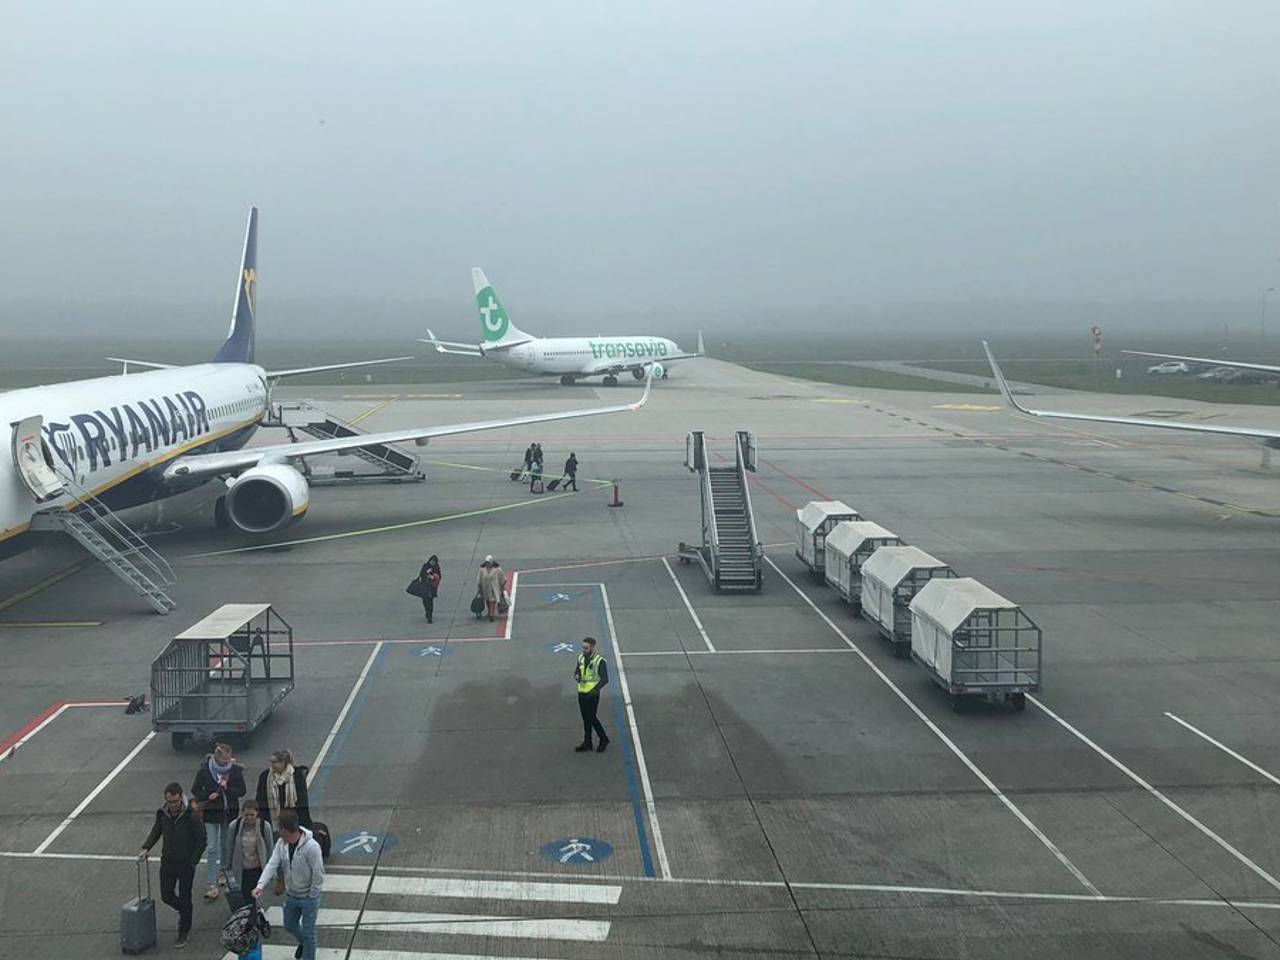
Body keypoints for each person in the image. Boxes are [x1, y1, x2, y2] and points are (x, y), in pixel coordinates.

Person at [139, 782, 206, 949]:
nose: (173, 805)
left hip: (186, 864)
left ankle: (184, 929)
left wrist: (193, 861)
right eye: (170, 801)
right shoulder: (162, 814)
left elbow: (201, 840)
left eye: (175, 801)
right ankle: (185, 911)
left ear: (180, 798)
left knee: (185, 896)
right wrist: (146, 847)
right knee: (166, 895)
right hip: (168, 861)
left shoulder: (191, 815)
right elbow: (157, 830)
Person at [252, 810, 324, 960]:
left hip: (308, 898)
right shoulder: (281, 844)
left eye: (279, 828)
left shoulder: (311, 847)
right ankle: (304, 943)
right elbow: (272, 863)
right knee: (289, 925)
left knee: (309, 932)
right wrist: (260, 885)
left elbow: (318, 873)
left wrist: (312, 895)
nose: (278, 831)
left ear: (285, 829)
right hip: (291, 895)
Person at [191, 742, 246, 900]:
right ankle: (211, 883)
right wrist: (207, 796)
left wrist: (227, 788)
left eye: (229, 759)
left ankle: (223, 871)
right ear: (216, 758)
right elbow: (195, 789)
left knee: (225, 844)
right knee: (212, 847)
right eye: (224, 760)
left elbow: (242, 791)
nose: (227, 763)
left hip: (228, 813)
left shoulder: (234, 770)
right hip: (211, 813)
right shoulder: (205, 770)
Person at [223, 798, 273, 905]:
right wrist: (227, 867)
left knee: (256, 898)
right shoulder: (234, 826)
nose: (249, 818)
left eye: (252, 815)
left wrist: (271, 870)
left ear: (257, 814)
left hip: (258, 869)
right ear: (242, 813)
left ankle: (255, 918)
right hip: (242, 869)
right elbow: (229, 847)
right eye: (246, 815)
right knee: (245, 898)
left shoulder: (265, 827)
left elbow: (270, 849)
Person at [256, 748, 313, 832]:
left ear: (283, 763)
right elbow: (260, 798)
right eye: (271, 762)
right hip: (273, 819)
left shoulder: (296, 775)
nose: (271, 765)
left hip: (294, 817)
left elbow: (302, 798)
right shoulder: (265, 777)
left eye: (274, 762)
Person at [573, 636, 610, 753]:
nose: (584, 650)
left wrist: (594, 690)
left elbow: (605, 679)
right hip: (582, 692)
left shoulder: (600, 661)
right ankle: (587, 742)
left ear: (592, 647)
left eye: (586, 648)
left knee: (592, 717)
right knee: (585, 718)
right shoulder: (580, 658)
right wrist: (577, 676)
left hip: (592, 695)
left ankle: (603, 739)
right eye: (583, 647)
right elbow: (577, 671)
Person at [477, 555, 503, 622]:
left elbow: (502, 578)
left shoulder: (497, 569)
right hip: (485, 587)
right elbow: (479, 579)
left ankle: (492, 613)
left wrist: (501, 587)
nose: (487, 564)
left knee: (492, 600)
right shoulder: (482, 569)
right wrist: (479, 587)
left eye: (489, 562)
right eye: (486, 562)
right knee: (487, 600)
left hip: (494, 587)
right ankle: (489, 611)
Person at [418, 555, 442, 623]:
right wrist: (426, 575)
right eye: (432, 561)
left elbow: (439, 576)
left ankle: (429, 615)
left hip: (431, 587)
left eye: (434, 562)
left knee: (430, 602)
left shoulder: (436, 568)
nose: (432, 562)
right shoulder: (425, 566)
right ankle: (427, 611)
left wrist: (433, 577)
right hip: (425, 586)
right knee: (425, 601)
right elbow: (421, 574)